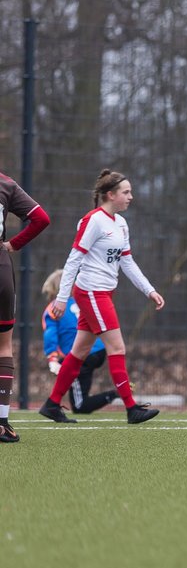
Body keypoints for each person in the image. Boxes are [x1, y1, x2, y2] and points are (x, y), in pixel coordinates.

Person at [38, 169, 165, 426]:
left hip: (104, 292)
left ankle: (52, 404)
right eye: (126, 192)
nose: (131, 196)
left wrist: (149, 289)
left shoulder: (121, 223)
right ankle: (132, 408)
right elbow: (74, 259)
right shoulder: (93, 221)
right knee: (117, 347)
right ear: (110, 194)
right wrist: (62, 298)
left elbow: (127, 262)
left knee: (80, 350)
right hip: (91, 292)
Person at [0, 172, 51, 443]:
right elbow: (41, 218)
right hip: (1, 269)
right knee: (3, 347)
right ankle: (1, 423)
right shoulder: (5, 184)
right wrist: (11, 245)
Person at [42, 269, 117, 416]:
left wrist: (52, 359)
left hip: (80, 355)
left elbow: (50, 335)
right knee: (80, 400)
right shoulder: (83, 302)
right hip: (99, 350)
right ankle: (116, 392)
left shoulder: (54, 308)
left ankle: (115, 393)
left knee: (79, 405)